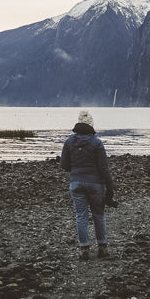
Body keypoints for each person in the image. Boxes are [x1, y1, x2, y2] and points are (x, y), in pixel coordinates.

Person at [60, 109, 115, 261]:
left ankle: (84, 249)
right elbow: (103, 168)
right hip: (95, 184)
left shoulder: (69, 141)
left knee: (81, 216)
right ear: (91, 125)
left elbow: (64, 165)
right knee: (98, 214)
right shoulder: (96, 142)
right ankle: (102, 248)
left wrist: (77, 169)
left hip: (76, 182)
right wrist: (110, 187)